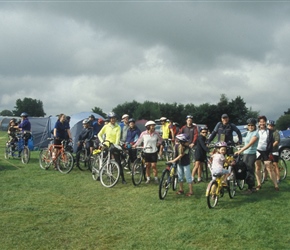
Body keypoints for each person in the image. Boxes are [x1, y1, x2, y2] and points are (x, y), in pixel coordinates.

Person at [98, 112, 127, 184]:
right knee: (103, 160)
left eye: (114, 118)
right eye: (111, 118)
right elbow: (99, 134)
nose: (113, 120)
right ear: (109, 119)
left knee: (118, 161)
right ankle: (100, 174)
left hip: (114, 145)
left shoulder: (118, 127)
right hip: (106, 145)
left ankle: (123, 178)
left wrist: (115, 145)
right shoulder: (106, 126)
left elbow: (118, 137)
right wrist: (102, 142)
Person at [235, 118, 259, 194]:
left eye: (252, 125)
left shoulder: (256, 133)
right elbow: (238, 137)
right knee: (245, 169)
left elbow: (249, 144)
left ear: (255, 126)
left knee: (249, 170)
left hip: (251, 154)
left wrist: (240, 150)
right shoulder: (248, 132)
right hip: (246, 153)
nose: (250, 127)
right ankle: (250, 186)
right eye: (249, 125)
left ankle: (251, 188)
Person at [254, 115, 279, 191]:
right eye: (260, 122)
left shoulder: (269, 131)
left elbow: (272, 141)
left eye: (263, 122)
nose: (262, 123)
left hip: (266, 151)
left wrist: (270, 150)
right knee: (258, 167)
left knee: (269, 168)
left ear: (265, 122)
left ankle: (276, 185)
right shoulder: (256, 131)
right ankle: (259, 184)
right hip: (257, 150)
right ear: (258, 123)